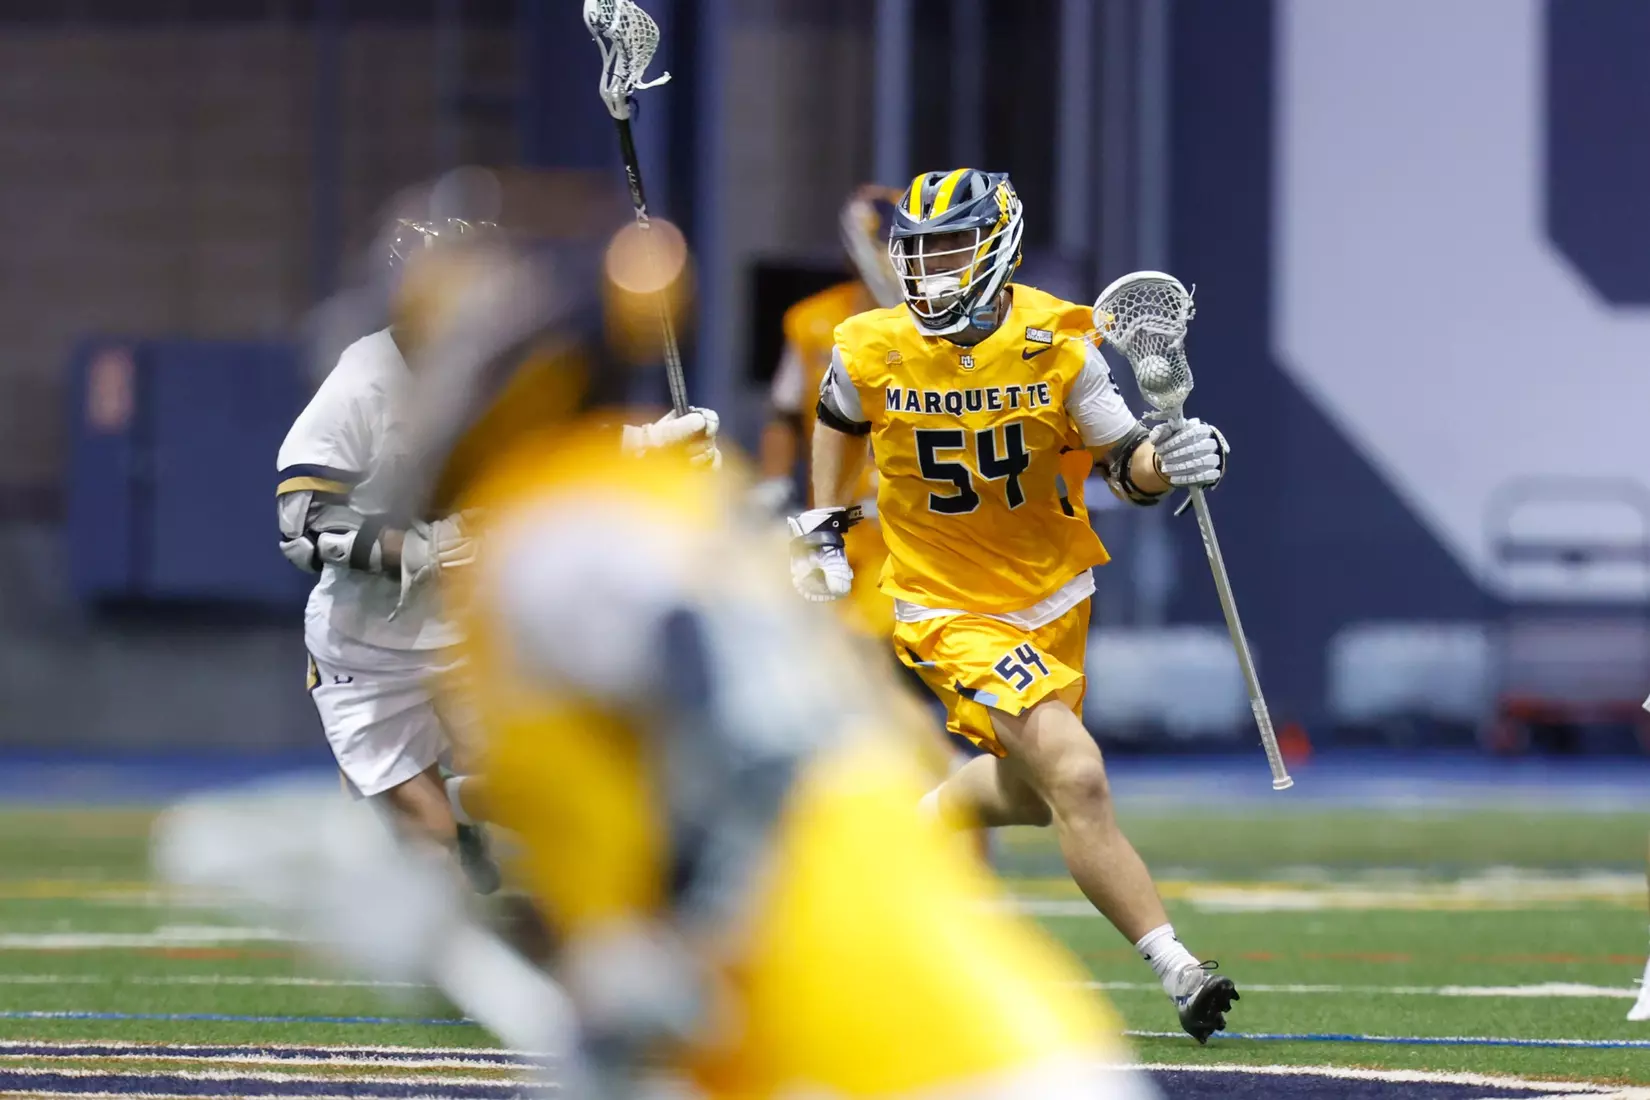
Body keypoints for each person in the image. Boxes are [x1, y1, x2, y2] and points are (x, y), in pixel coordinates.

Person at [229, 223, 1160, 1098]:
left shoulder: (552, 530)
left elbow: (761, 761)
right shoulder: (598, 511)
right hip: (947, 1028)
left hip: (887, 1047)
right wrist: (469, 944)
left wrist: (674, 934)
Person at [790, 167, 1239, 1042]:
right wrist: (821, 523)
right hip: (943, 601)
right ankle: (1178, 966)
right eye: (916, 253)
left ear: (997, 246)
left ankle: (896, 834)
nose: (927, 272)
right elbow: (836, 419)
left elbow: (1124, 463)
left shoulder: (1057, 344)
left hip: (1053, 593)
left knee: (1036, 796)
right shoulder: (869, 344)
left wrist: (1175, 460)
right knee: (1075, 771)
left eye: (949, 248)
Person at [274, 215, 717, 892]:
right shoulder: (367, 374)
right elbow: (303, 522)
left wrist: (656, 444)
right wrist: (416, 549)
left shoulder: (512, 365)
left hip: (472, 628)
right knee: (420, 841)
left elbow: (546, 457)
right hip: (369, 641)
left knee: (535, 795)